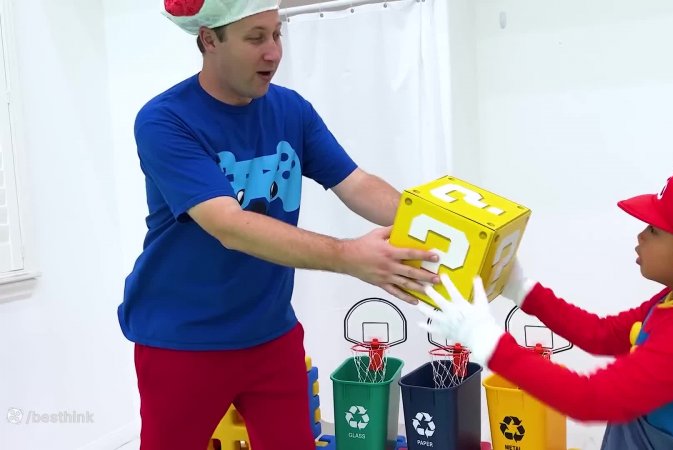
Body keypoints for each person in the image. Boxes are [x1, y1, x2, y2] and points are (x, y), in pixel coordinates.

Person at [118, 1, 440, 449]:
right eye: (255, 38)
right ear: (209, 40)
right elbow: (229, 225)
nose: (273, 52)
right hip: (182, 340)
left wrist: (441, 225)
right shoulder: (165, 120)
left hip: (270, 335)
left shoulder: (290, 110)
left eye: (276, 34)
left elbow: (356, 183)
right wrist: (349, 256)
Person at [420, 164, 673, 449]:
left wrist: (488, 343)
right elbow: (603, 334)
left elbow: (590, 400)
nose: (640, 236)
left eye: (654, 231)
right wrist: (523, 290)